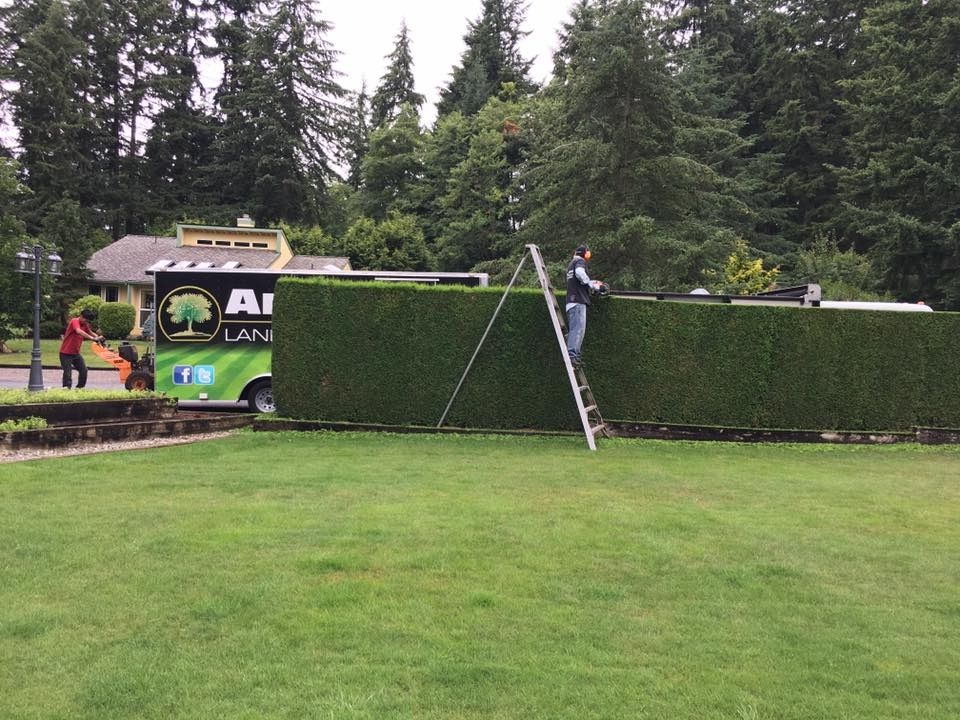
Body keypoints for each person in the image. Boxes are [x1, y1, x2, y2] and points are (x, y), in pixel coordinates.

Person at [565, 245, 604, 368]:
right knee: (578, 330)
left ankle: (574, 355)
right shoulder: (579, 261)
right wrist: (593, 285)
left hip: (572, 301)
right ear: (584, 253)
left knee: (574, 330)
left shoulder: (571, 263)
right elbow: (580, 274)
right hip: (578, 302)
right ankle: (572, 356)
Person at [59, 309, 105, 389]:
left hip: (75, 354)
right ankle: (66, 390)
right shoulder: (74, 321)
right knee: (68, 373)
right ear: (81, 316)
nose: (86, 322)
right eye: (85, 319)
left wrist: (98, 338)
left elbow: (90, 332)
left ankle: (79, 388)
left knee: (84, 370)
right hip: (65, 353)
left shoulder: (85, 324)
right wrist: (92, 338)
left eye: (87, 321)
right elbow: (78, 331)